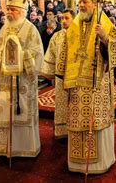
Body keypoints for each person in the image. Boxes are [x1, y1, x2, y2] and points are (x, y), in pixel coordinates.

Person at [56, 0, 116, 174]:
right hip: (77, 87)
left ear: (94, 3)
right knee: (77, 123)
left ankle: (98, 165)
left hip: (97, 86)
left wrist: (104, 37)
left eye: (85, 2)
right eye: (80, 2)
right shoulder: (74, 25)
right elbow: (65, 49)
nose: (81, 5)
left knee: (94, 124)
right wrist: (61, 73)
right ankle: (76, 164)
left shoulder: (103, 21)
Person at [0, 0, 44, 158]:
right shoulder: (4, 29)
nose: (9, 12)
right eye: (8, 8)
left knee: (22, 114)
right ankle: (4, 148)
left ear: (23, 11)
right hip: (5, 80)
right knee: (4, 113)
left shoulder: (31, 30)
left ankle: (24, 148)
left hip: (22, 81)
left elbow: (37, 53)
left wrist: (21, 54)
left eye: (14, 9)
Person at [41, 9, 75, 139]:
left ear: (74, 19)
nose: (64, 21)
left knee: (74, 103)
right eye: (62, 19)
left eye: (67, 18)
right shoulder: (57, 36)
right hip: (60, 77)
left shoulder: (79, 36)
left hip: (75, 77)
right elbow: (51, 54)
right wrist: (51, 75)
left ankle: (75, 130)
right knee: (61, 102)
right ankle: (62, 131)